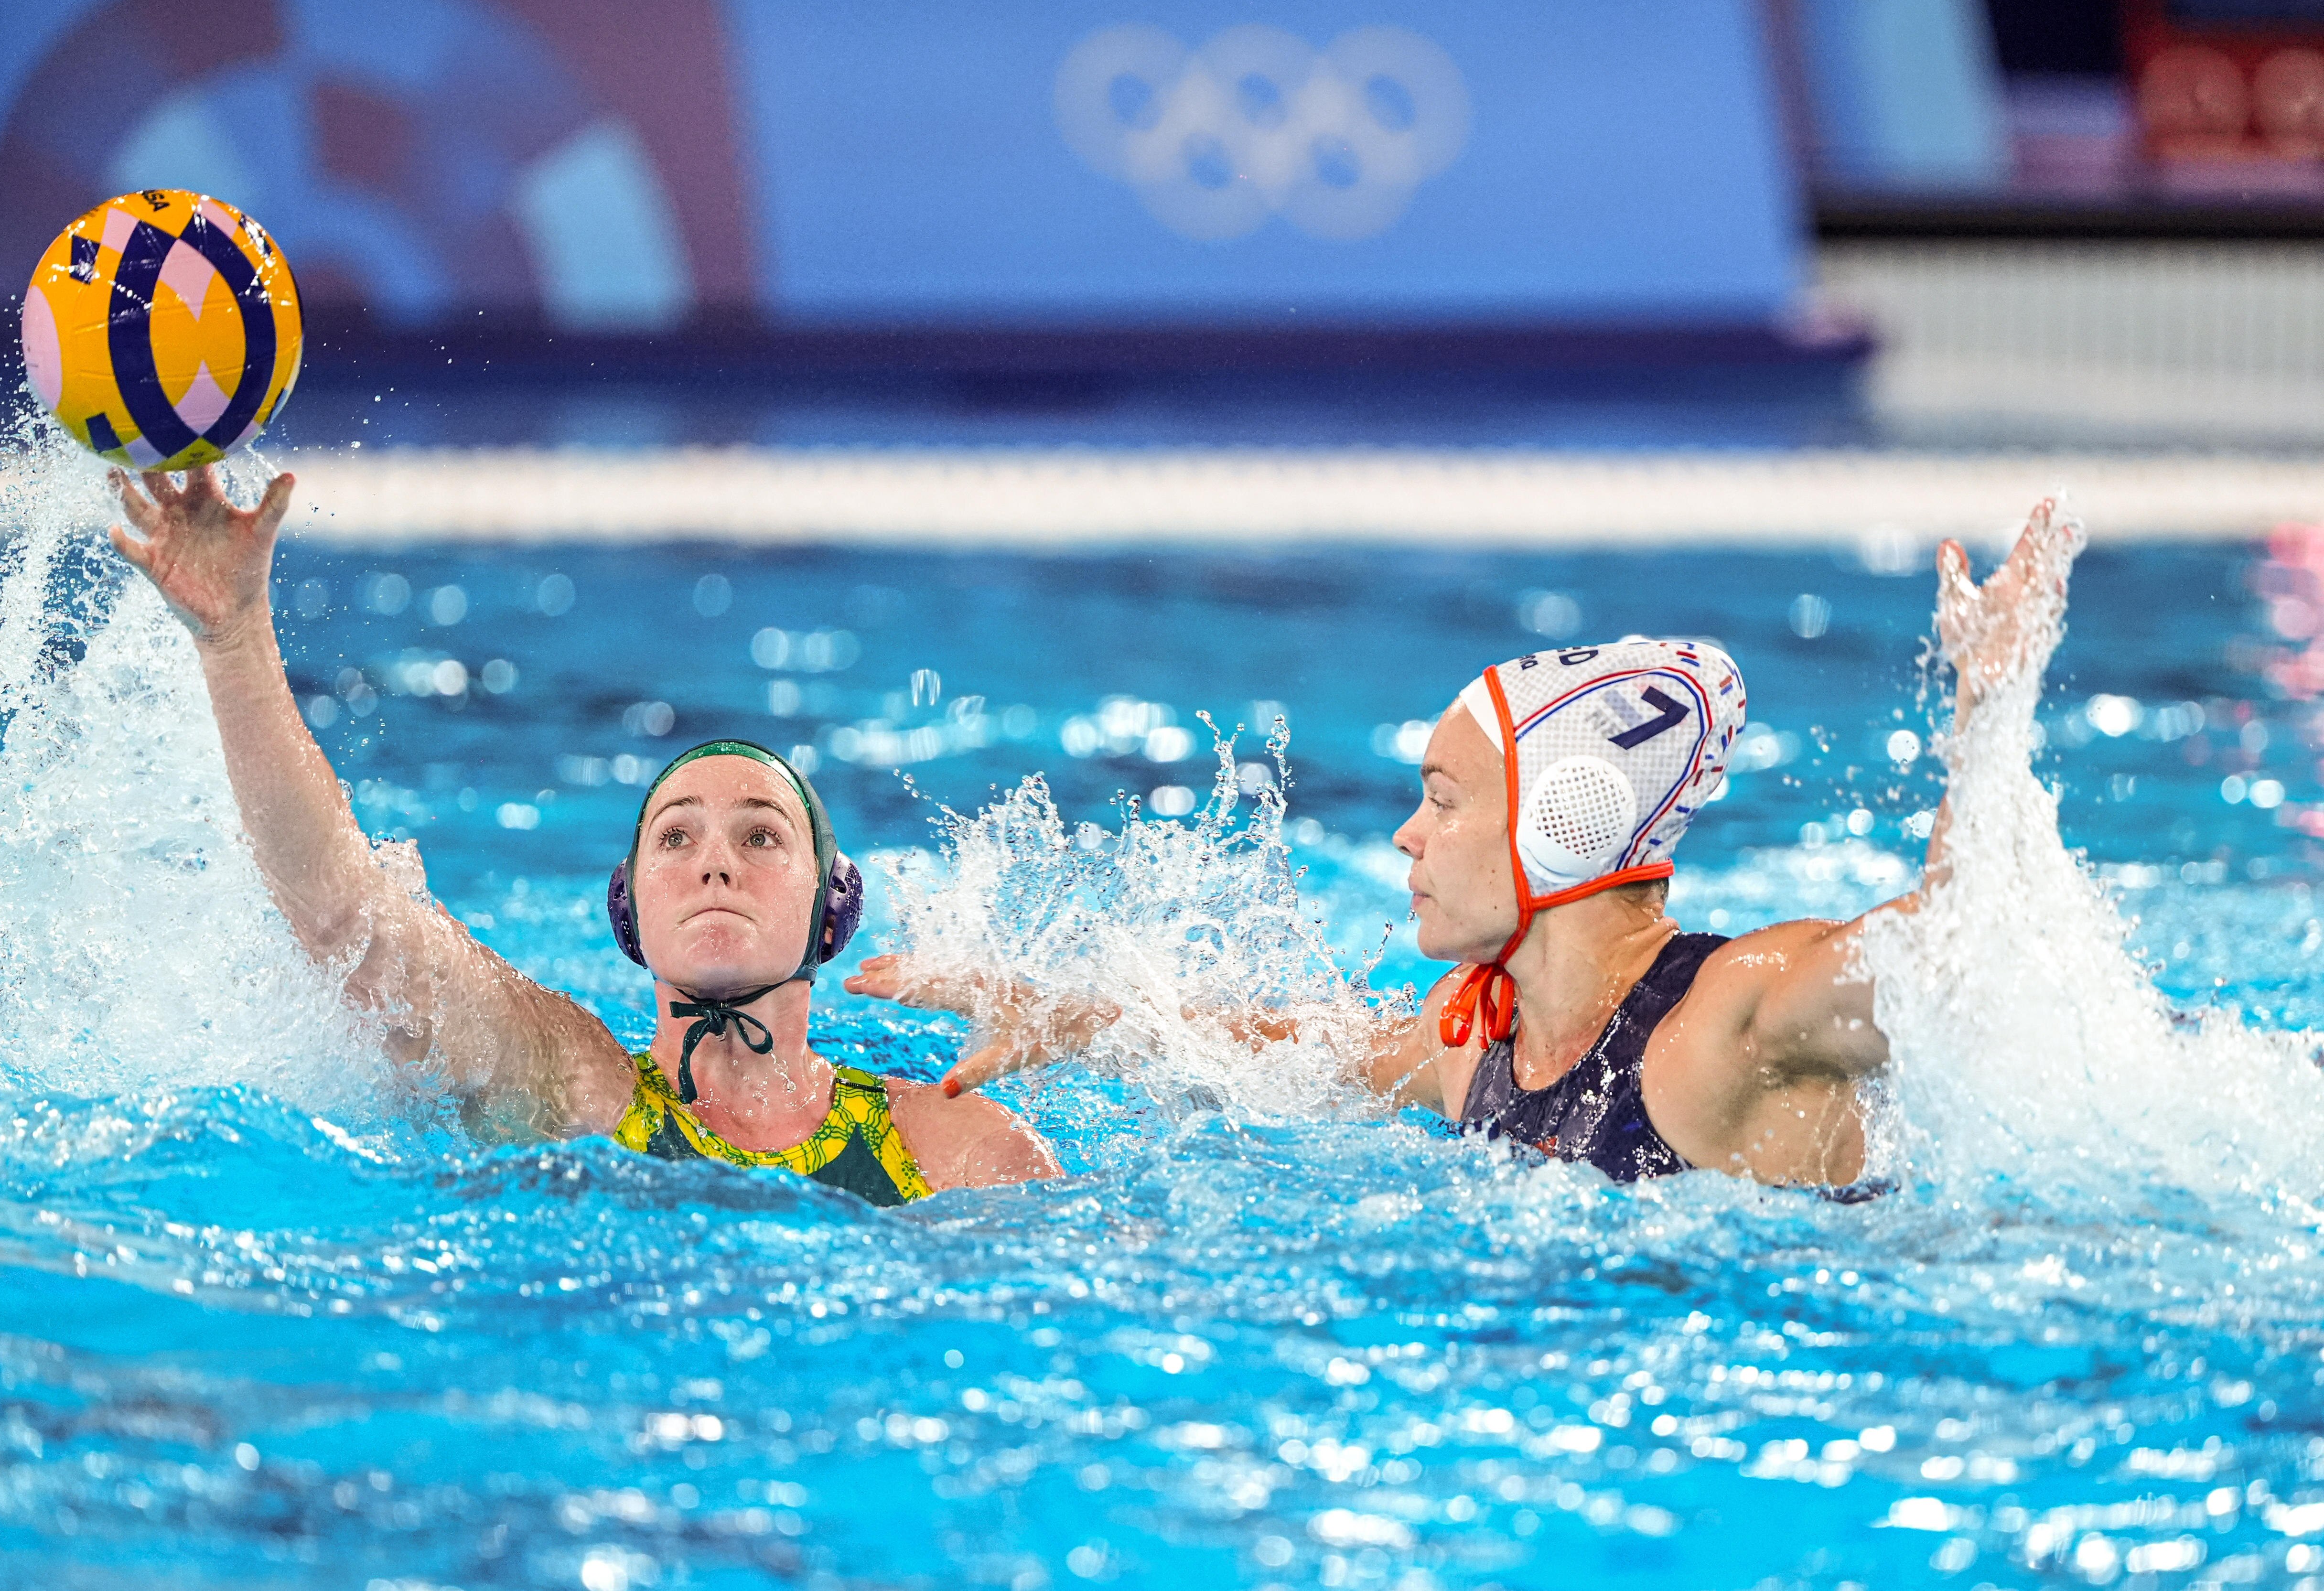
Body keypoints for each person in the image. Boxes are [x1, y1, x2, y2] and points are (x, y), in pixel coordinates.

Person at [847, 502, 2079, 1192]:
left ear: (1564, 824)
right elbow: (1290, 1049)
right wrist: (1073, 1016)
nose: (1404, 833)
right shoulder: (1479, 1039)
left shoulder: (1731, 1017)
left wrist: (1988, 706)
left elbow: (1954, 950)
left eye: (1442, 798)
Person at [108, 463, 1056, 1205]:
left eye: (762, 837)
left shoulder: (956, 1142)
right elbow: (346, 922)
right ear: (630, 909)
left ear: (832, 909)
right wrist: (233, 640)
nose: (715, 860)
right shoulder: (576, 1087)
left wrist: (1089, 1020)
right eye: (675, 840)